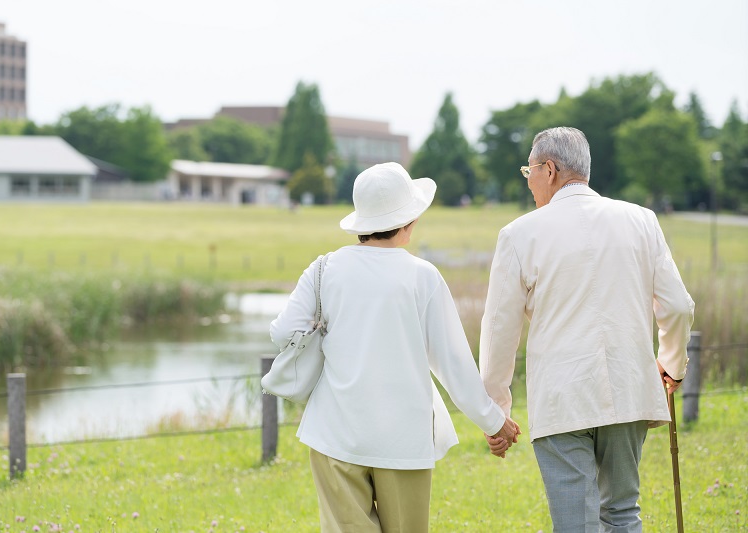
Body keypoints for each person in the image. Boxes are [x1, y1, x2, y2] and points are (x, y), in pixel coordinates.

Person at [270, 162, 520, 533]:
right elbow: (453, 364)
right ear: (410, 221)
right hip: (403, 442)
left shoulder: (324, 269)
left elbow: (283, 331)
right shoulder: (422, 277)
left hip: (334, 433)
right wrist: (495, 422)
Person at [479, 127, 695, 532]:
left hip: (564, 399)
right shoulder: (641, 220)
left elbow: (498, 331)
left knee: (576, 524)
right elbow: (679, 305)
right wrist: (671, 364)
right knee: (622, 513)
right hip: (630, 389)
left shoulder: (519, 234)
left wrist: (495, 411)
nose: (528, 180)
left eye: (529, 170)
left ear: (550, 169)